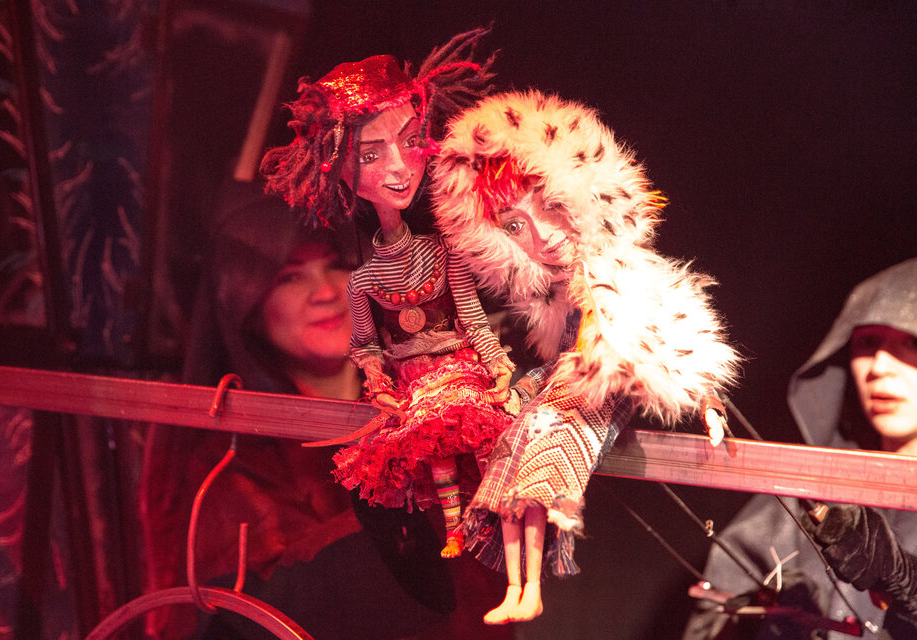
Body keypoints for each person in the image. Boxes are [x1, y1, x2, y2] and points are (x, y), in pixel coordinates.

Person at [429, 90, 740, 624]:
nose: (543, 236)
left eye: (551, 207)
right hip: (564, 385)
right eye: (513, 226)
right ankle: (518, 589)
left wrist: (710, 403)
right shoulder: (549, 297)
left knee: (538, 463)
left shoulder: (620, 273)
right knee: (507, 459)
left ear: (584, 197)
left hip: (595, 390)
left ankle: (530, 588)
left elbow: (681, 330)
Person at [138, 184, 452, 640]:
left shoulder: (429, 392)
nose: (324, 292)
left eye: (336, 265)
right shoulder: (227, 452)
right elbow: (277, 609)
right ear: (246, 305)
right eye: (290, 277)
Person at [259, 28, 515, 559]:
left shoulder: (446, 253)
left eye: (411, 140)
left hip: (458, 369)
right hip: (411, 384)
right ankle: (456, 526)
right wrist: (378, 380)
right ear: (338, 168)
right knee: (435, 458)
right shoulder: (363, 282)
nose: (398, 167)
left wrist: (496, 363)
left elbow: (472, 317)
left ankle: (484, 521)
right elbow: (368, 345)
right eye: (371, 154)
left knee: (481, 446)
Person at [682, 257, 917, 639]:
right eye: (868, 342)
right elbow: (711, 616)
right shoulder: (806, 492)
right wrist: (755, 624)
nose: (879, 367)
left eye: (912, 341)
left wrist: (903, 579)